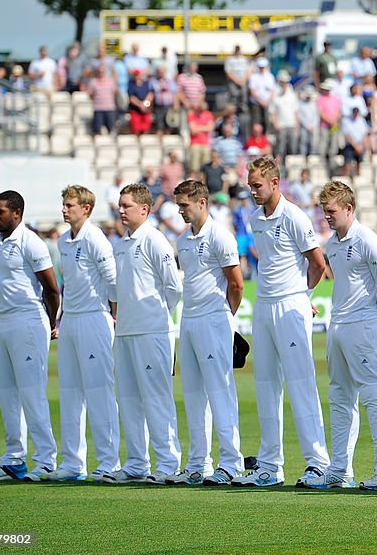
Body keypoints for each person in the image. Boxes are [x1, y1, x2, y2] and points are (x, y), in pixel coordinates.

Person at [233, 157, 330, 487]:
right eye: (250, 185)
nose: (252, 190)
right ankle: (270, 466)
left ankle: (318, 463)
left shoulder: (293, 216)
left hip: (290, 305)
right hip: (263, 304)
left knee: (301, 384)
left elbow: (318, 263)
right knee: (265, 386)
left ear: (275, 183)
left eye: (257, 185)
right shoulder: (255, 217)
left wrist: (303, 295)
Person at [304, 181, 377, 490]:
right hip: (339, 325)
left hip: (364, 324)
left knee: (374, 396)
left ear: (348, 208)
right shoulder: (332, 243)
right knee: (340, 397)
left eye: (331, 211)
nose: (326, 217)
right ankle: (339, 470)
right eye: (323, 212)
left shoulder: (367, 240)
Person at [100, 183, 183, 485]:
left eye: (127, 206)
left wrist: (158, 316)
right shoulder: (122, 243)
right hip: (125, 332)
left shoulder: (155, 240)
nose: (121, 210)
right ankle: (136, 462)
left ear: (144, 209)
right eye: (120, 205)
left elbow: (173, 287)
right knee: (129, 399)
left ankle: (169, 463)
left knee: (156, 398)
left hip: (153, 331)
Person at [0, 191, 60, 482]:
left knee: (31, 392)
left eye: (0, 212)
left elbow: (51, 290)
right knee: (7, 393)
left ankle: (46, 460)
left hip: (28, 320)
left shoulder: (31, 242)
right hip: (4, 321)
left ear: (17, 213)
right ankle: (13, 459)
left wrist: (49, 326)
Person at [170, 180, 245, 486]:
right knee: (193, 395)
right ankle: (199, 464)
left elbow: (236, 284)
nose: (180, 211)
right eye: (178, 205)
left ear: (201, 202)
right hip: (188, 320)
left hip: (214, 319)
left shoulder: (220, 236)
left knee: (220, 392)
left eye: (184, 205)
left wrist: (223, 315)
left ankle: (231, 463)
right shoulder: (183, 240)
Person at [47, 186, 119, 482]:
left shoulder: (95, 238)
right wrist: (60, 318)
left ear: (86, 208)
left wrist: (114, 315)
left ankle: (109, 462)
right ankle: (74, 462)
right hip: (72, 320)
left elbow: (113, 281)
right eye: (63, 204)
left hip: (95, 319)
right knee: (70, 392)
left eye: (70, 205)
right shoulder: (64, 240)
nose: (64, 210)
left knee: (99, 391)